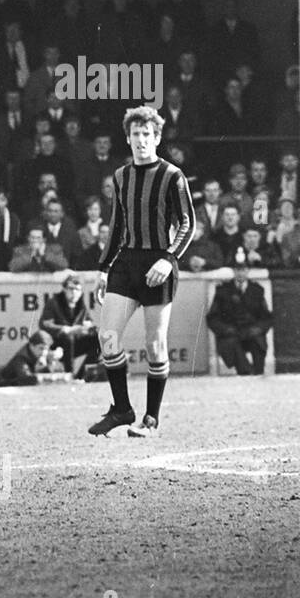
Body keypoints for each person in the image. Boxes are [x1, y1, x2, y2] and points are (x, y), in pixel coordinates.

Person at [88, 107, 195, 438]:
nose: (140, 140)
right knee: (107, 337)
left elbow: (187, 224)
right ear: (128, 138)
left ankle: (150, 420)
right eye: (135, 135)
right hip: (125, 264)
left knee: (154, 344)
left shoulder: (172, 176)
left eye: (147, 134)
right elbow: (117, 226)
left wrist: (168, 259)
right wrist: (104, 269)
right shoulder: (121, 176)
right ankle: (122, 409)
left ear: (157, 138)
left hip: (158, 265)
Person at [206, 263, 272, 375]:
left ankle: (258, 373)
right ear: (233, 271)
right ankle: (246, 373)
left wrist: (258, 329)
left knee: (258, 341)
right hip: (231, 333)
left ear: (248, 271)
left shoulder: (257, 290)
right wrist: (225, 329)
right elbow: (212, 318)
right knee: (231, 343)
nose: (240, 273)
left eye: (243, 270)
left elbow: (267, 317)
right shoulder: (222, 290)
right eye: (237, 270)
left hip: (251, 332)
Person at [40, 273, 99, 374]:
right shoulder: (53, 302)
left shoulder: (81, 305)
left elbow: (88, 322)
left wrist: (88, 328)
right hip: (56, 346)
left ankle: (82, 375)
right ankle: (69, 375)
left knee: (98, 339)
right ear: (64, 289)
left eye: (77, 289)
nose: (74, 292)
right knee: (68, 338)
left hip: (74, 344)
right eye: (71, 289)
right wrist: (66, 329)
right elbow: (45, 324)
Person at [0, 331, 66, 386]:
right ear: (31, 346)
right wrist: (43, 370)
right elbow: (26, 379)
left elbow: (61, 371)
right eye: (41, 348)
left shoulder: (43, 354)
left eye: (46, 349)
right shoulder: (21, 358)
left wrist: (53, 362)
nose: (44, 352)